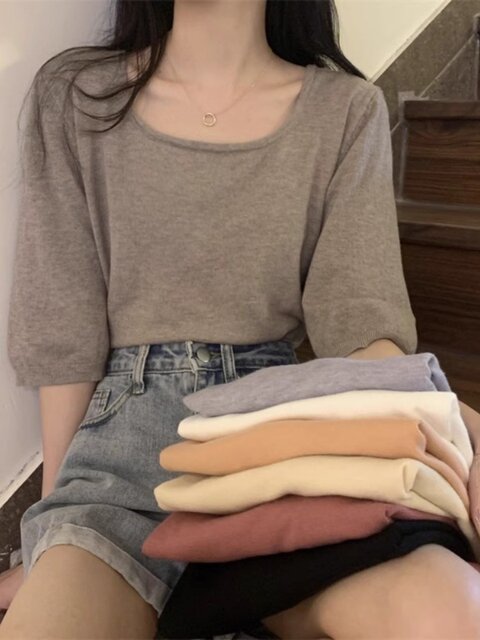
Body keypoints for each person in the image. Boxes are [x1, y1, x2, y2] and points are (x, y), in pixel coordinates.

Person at [2, 0, 480, 638]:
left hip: (277, 454)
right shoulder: (77, 97)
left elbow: (362, 335)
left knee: (451, 610)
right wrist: (45, 534)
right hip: (117, 462)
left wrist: (468, 435)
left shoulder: (344, 110)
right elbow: (62, 325)